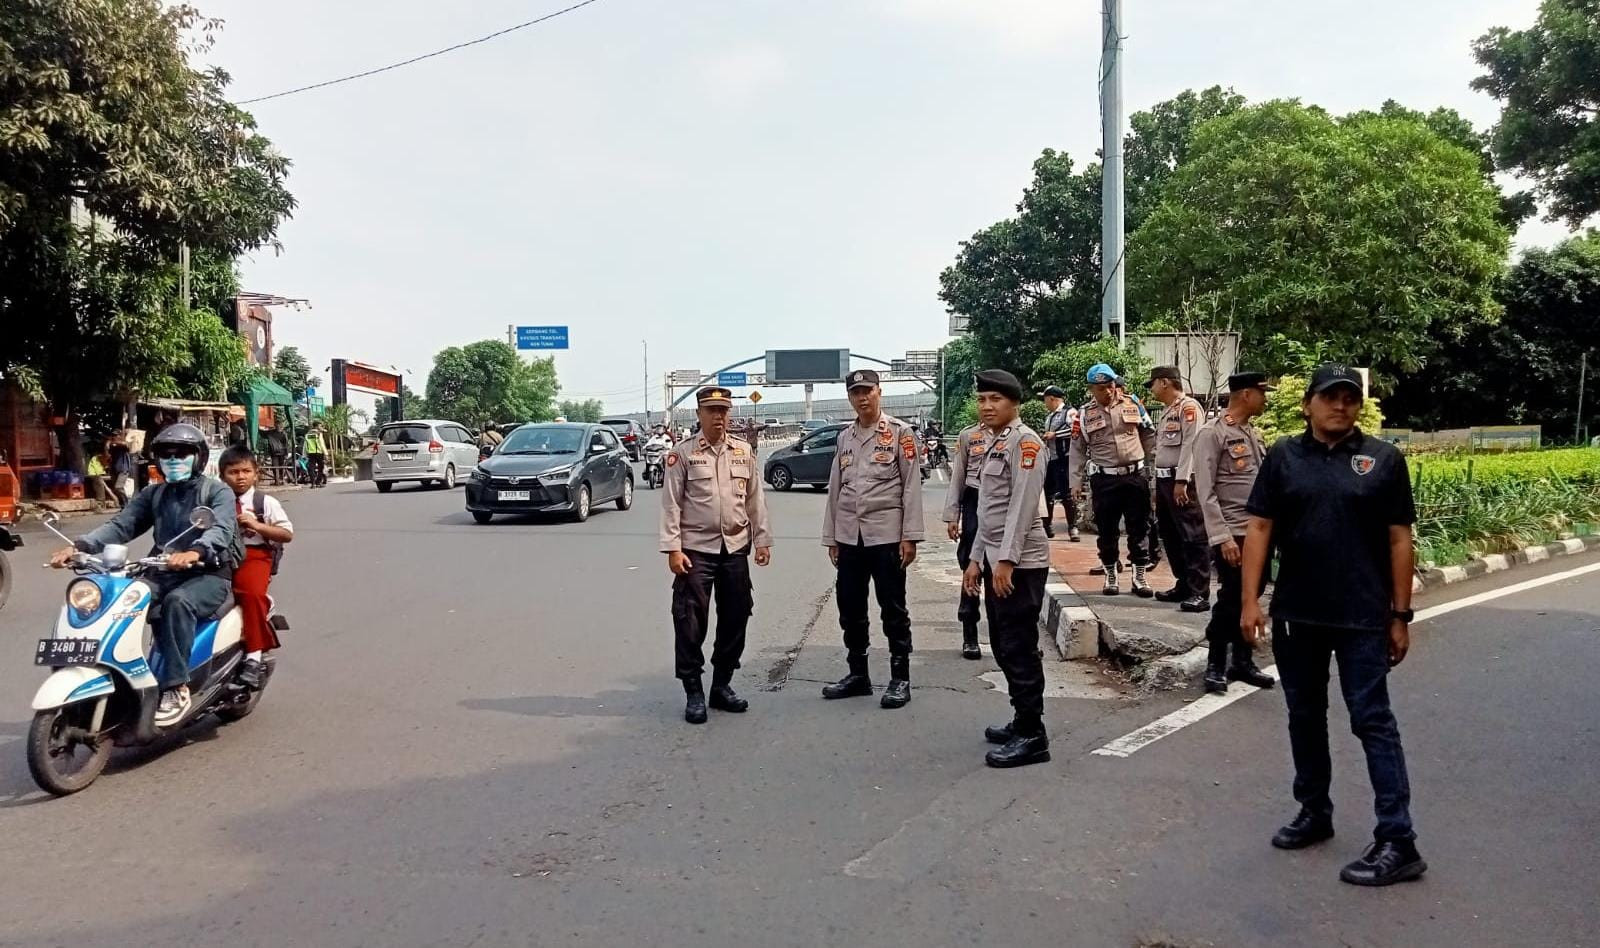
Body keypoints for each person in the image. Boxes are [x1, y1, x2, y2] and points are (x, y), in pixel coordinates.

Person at [1241, 363, 1426, 887]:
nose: (1340, 405)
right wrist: (1249, 601)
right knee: (1304, 714)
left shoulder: (1384, 460)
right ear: (1308, 404)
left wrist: (1400, 614)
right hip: (1298, 613)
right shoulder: (1283, 457)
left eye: (1350, 398)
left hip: (1363, 617)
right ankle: (1314, 812)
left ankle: (1398, 839)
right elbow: (1258, 528)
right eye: (1330, 397)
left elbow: (1399, 541)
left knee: (1372, 721)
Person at [50, 423, 240, 726]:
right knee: (119, 602)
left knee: (177, 603)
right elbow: (121, 525)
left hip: (209, 574)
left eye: (182, 453)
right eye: (166, 454)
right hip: (163, 570)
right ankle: (113, 674)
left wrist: (196, 552)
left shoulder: (216, 491)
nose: (173, 460)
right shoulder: (154, 494)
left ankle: (176, 687)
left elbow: (222, 528)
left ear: (199, 457)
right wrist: (79, 546)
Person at [660, 386, 773, 724]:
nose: (718, 416)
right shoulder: (682, 455)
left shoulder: (743, 452)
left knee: (736, 617)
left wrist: (763, 540)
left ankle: (721, 686)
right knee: (690, 622)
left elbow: (755, 500)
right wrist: (673, 548)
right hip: (696, 551)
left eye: (723, 410)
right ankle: (693, 691)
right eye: (711, 410)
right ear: (699, 415)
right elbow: (671, 504)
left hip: (735, 548)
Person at [819, 369, 924, 707]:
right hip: (851, 536)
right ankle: (858, 674)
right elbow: (835, 488)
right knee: (849, 606)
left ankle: (900, 678)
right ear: (849, 397)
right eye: (855, 393)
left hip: (886, 535)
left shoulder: (899, 434)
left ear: (879, 392)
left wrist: (910, 537)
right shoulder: (845, 437)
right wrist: (832, 536)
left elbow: (911, 487)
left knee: (892, 607)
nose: (862, 398)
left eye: (867, 391)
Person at [963, 369, 1052, 768]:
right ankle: (1022, 718)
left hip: (1021, 563)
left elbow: (1021, 508)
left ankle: (1034, 735)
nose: (986, 406)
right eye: (982, 400)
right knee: (1001, 643)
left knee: (1018, 646)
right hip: (995, 558)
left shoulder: (1026, 443)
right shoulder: (993, 443)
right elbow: (988, 510)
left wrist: (1005, 561)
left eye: (994, 400)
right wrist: (975, 559)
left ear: (1014, 403)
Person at [1190, 372, 1277, 693]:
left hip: (1258, 532)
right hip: (1234, 533)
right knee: (1231, 598)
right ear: (1244, 395)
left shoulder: (1250, 432)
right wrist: (1221, 536)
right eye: (1261, 393)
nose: (1265, 399)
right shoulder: (1212, 433)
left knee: (1251, 596)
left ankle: (1242, 660)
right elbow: (1205, 490)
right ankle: (1215, 662)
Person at [1069, 363, 1155, 596]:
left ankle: (1139, 577)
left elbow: (1149, 435)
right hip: (1105, 479)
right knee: (1107, 530)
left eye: (1110, 386)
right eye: (1101, 388)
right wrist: (1075, 482)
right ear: (1091, 390)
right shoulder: (1084, 414)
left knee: (1139, 528)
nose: (1108, 391)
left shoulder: (1133, 403)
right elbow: (1077, 449)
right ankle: (1110, 575)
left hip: (1135, 476)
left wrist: (1153, 469)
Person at [218, 445, 293, 689]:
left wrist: (257, 526)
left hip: (255, 555)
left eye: (245, 471)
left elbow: (286, 533)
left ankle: (253, 655)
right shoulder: (216, 502)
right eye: (233, 472)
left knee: (250, 595)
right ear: (222, 475)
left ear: (255, 473)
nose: (240, 477)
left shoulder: (265, 502)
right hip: (220, 556)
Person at [1145, 367, 1211, 612]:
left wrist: (1181, 481)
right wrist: (1156, 486)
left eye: (1152, 384)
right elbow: (1160, 452)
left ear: (1164, 382)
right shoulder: (1167, 411)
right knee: (1171, 535)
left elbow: (1191, 445)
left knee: (1192, 535)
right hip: (1164, 481)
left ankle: (1199, 592)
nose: (1151, 389)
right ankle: (1183, 583)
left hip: (1181, 482)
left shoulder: (1189, 407)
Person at [941, 419, 990, 660]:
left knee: (1008, 570)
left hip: (1007, 504)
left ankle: (1014, 638)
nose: (989, 405)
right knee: (972, 569)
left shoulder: (1019, 437)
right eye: (983, 399)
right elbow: (958, 476)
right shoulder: (969, 435)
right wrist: (953, 516)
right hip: (974, 500)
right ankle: (969, 634)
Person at [1038, 385, 1080, 542]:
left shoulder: (1069, 412)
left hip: (1064, 458)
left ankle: (1072, 527)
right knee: (1047, 492)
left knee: (1066, 494)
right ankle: (1046, 526)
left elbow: (1075, 430)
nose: (1045, 403)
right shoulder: (1050, 416)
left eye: (1045, 399)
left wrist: (1055, 435)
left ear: (1052, 398)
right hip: (1051, 458)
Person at [303, 422, 328, 488]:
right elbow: (322, 444)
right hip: (319, 453)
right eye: (320, 426)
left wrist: (304, 455)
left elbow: (305, 445)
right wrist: (326, 454)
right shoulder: (319, 434)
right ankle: (318, 482)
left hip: (311, 453)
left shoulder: (307, 434)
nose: (321, 427)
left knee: (311, 468)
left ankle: (313, 483)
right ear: (316, 426)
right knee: (321, 468)